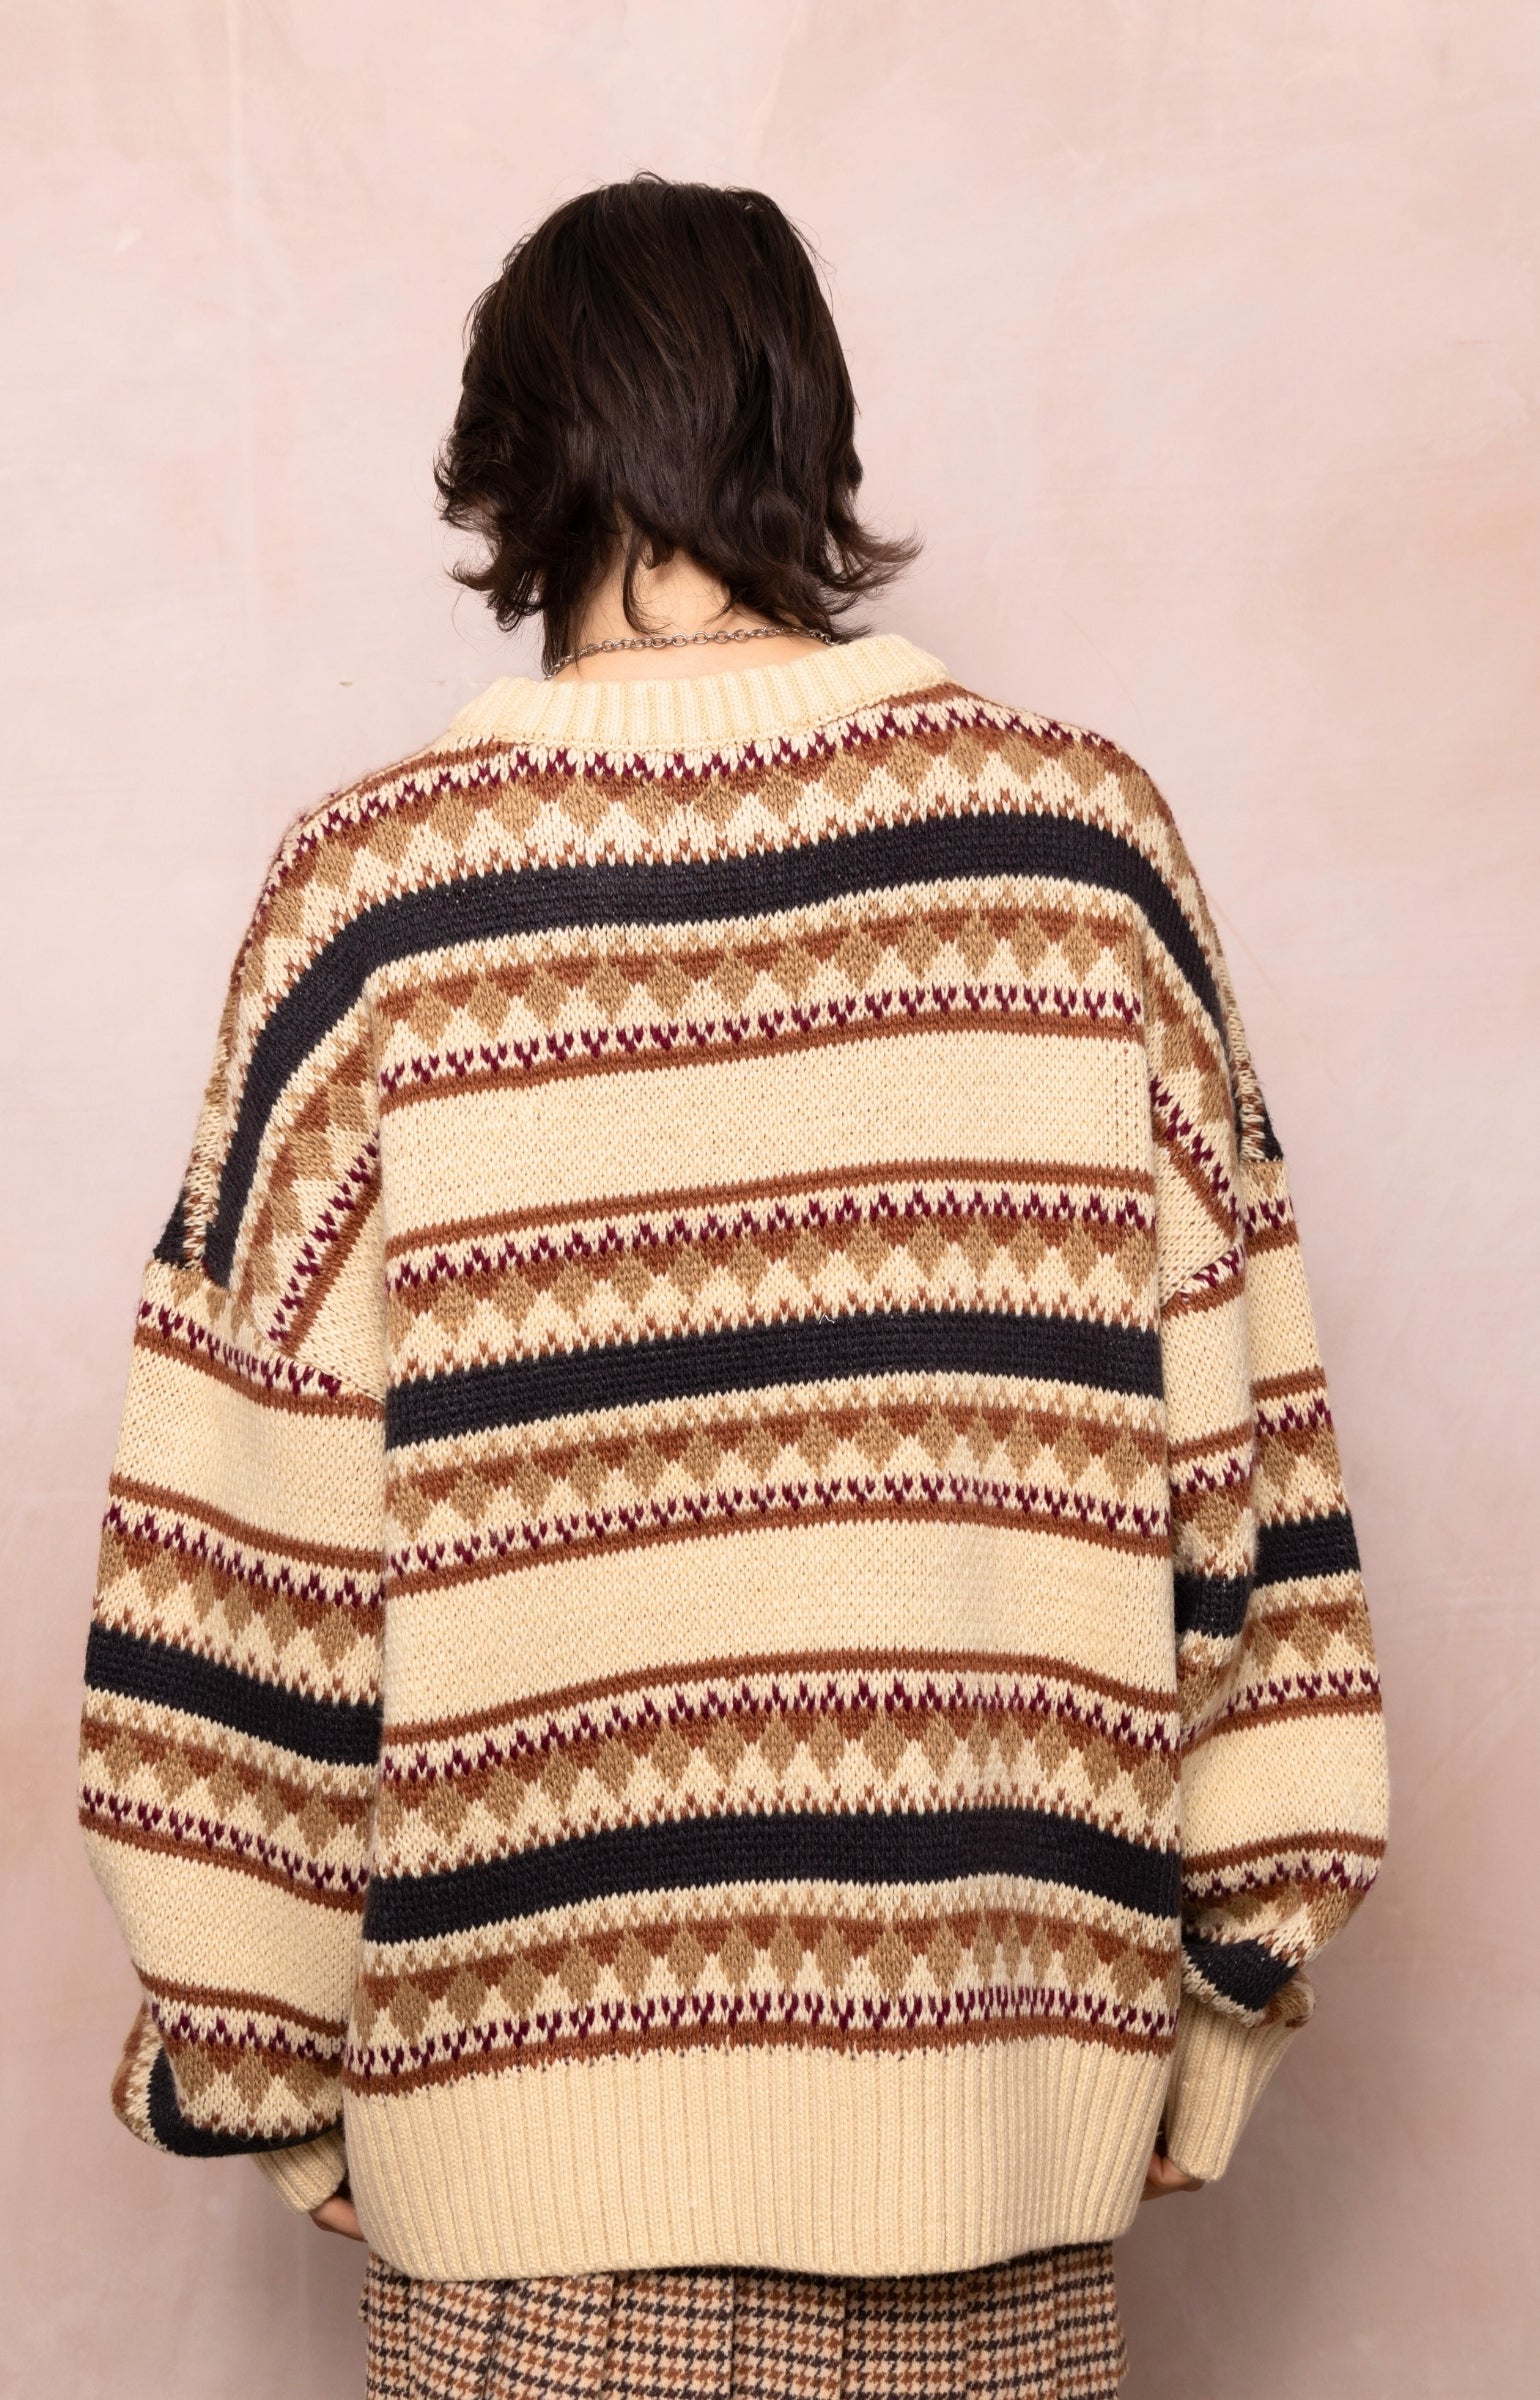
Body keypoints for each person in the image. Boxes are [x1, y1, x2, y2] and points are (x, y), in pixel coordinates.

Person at [77, 174, 1389, 2397]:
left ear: (514, 462)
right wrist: (1219, 1996)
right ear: (809, 432)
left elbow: (237, 1555)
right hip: (1000, 2173)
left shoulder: (376, 909)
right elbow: (1250, 1493)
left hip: (526, 2240)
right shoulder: (1079, 862)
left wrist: (266, 2063)